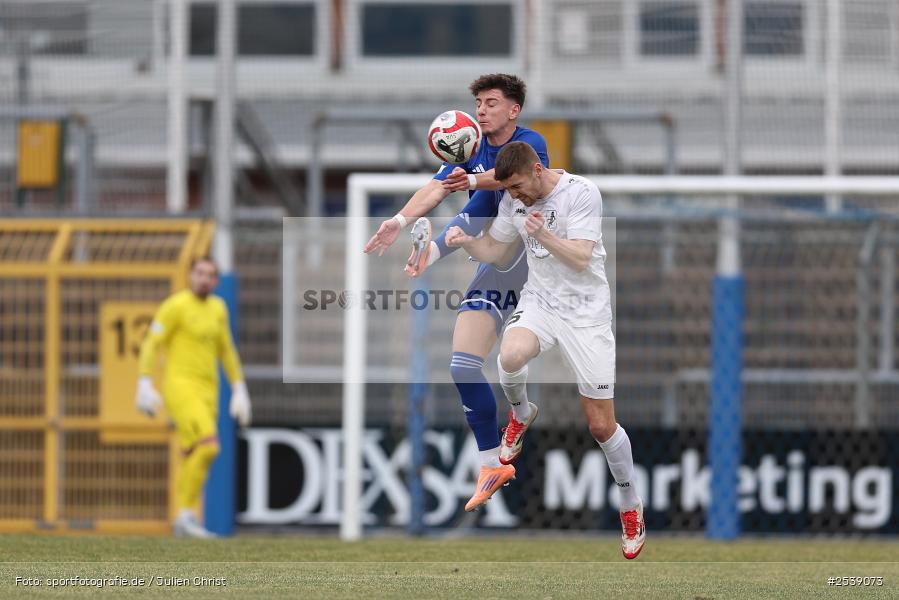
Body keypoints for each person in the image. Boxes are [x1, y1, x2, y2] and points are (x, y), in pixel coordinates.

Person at [445, 141, 645, 559]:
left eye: (518, 186)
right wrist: (464, 240)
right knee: (509, 356)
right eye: (509, 190)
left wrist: (544, 234)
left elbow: (581, 257)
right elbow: (498, 253)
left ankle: (630, 505)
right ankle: (520, 416)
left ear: (538, 170)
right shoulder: (513, 199)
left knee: (600, 427)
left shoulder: (581, 192)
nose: (515, 196)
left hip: (586, 315)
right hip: (540, 301)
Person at [363, 74, 548, 511]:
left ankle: (628, 499)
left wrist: (466, 182)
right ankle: (491, 464)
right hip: (496, 266)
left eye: (491, 102)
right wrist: (401, 222)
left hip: (541, 270)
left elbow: (507, 180)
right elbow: (441, 190)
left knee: (595, 413)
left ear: (513, 110)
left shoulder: (529, 143)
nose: (481, 110)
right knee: (462, 365)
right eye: (478, 103)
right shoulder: (471, 147)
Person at [135, 256, 252, 538]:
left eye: (210, 275)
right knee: (209, 446)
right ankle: (186, 514)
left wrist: (239, 386)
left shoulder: (218, 308)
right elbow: (152, 343)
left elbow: (226, 349)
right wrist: (144, 381)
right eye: (199, 273)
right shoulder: (175, 306)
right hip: (181, 387)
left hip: (208, 391)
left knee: (193, 453)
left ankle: (182, 519)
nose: (204, 279)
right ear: (190, 275)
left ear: (216, 281)